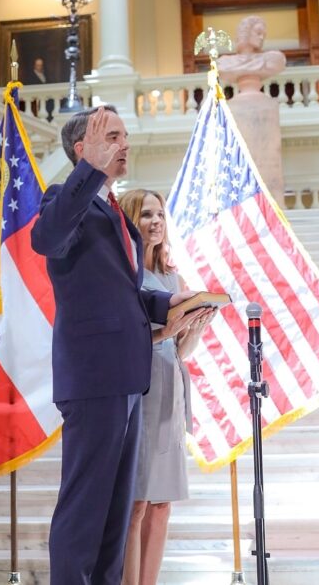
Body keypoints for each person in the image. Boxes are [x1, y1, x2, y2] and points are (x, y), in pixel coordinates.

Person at [31, 106, 196, 585]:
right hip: (93, 378)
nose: (125, 144)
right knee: (85, 509)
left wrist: (172, 302)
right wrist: (89, 171)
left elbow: (122, 293)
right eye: (112, 137)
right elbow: (47, 238)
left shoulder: (111, 209)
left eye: (124, 136)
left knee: (114, 516)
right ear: (82, 150)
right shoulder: (67, 198)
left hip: (127, 377)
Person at [118, 189, 214, 585]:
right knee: (137, 503)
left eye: (160, 214)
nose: (156, 221)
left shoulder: (173, 276)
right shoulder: (122, 275)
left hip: (171, 391)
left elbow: (179, 349)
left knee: (162, 505)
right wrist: (166, 333)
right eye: (146, 215)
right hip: (139, 391)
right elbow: (123, 341)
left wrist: (194, 328)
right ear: (129, 220)